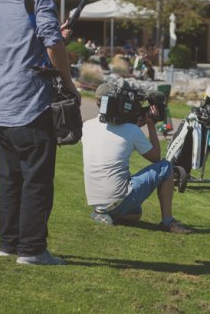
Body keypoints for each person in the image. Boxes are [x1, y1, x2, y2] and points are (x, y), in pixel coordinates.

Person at [0, 0, 79, 265]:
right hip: (30, 107)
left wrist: (53, 35)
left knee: (10, 181)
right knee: (36, 182)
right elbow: (53, 46)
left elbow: (22, 41)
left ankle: (8, 243)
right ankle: (33, 250)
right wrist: (69, 83)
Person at [82, 83, 192, 234]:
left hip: (97, 203)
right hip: (118, 199)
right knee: (166, 167)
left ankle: (102, 214)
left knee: (136, 214)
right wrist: (151, 125)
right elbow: (156, 158)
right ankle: (168, 222)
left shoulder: (87, 126)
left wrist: (136, 124)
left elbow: (117, 135)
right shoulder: (131, 130)